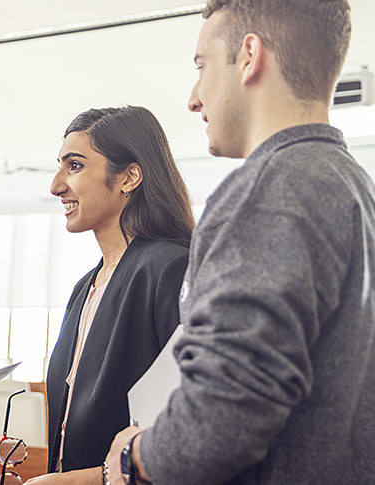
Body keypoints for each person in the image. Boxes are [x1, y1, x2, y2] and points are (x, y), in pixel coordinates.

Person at [106, 1, 375, 484]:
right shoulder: (354, 187)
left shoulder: (270, 188)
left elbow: (224, 415)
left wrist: (135, 456)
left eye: (201, 66)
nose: (193, 97)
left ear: (249, 56)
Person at [26, 106, 194, 484]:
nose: (56, 185)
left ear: (129, 177)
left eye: (75, 166)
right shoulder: (83, 287)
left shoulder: (169, 269)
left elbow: (192, 425)